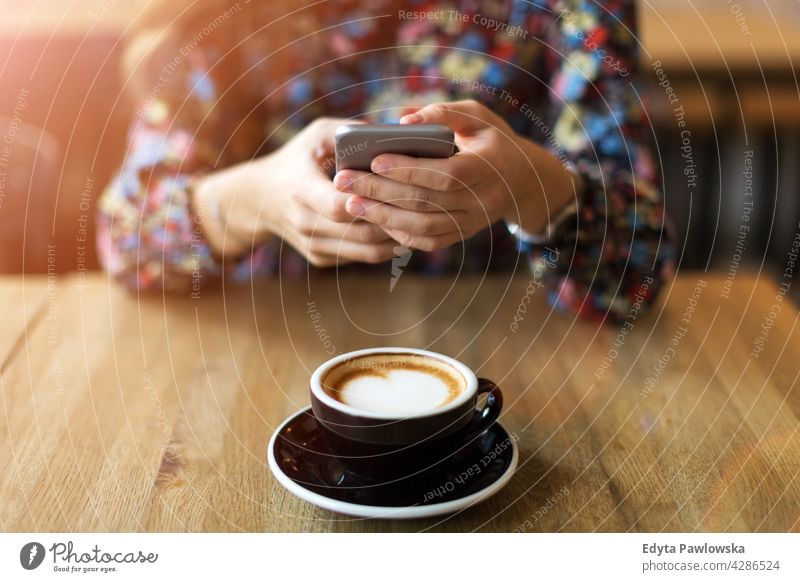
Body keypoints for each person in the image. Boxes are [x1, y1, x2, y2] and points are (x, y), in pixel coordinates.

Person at [97, 0, 673, 320]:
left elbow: (639, 276)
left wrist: (535, 189)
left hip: (503, 358)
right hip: (261, 351)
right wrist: (257, 199)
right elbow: (127, 239)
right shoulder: (224, 19)